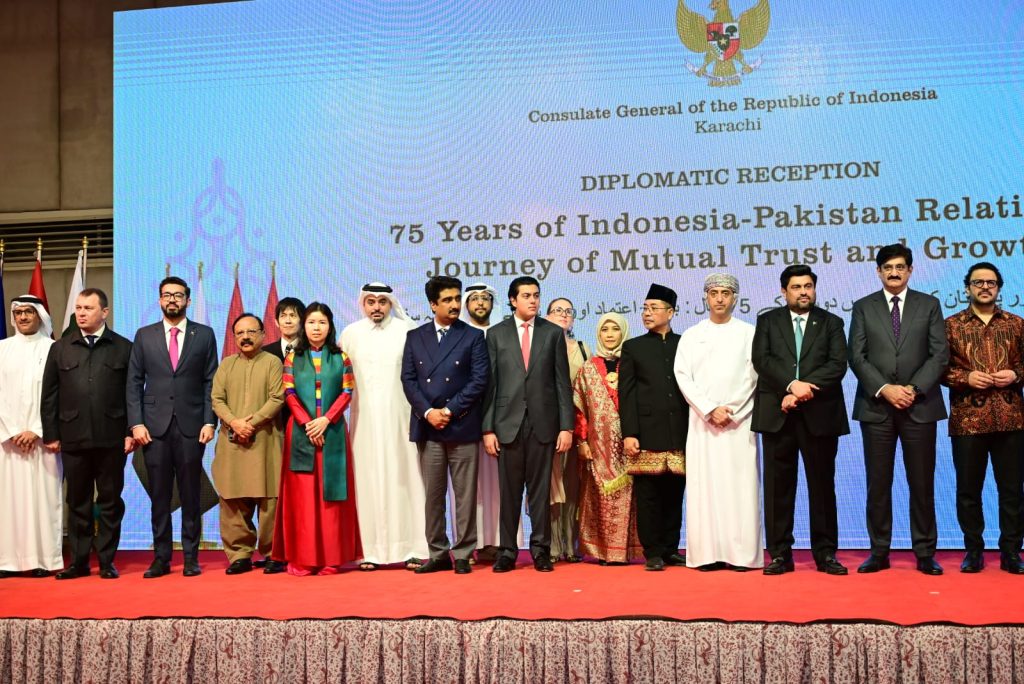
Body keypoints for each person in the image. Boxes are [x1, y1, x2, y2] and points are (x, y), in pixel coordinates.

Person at [849, 244, 949, 575]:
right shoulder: (863, 307)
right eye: (888, 267)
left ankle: (925, 552)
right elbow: (856, 356)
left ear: (910, 270)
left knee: (922, 483)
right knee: (878, 484)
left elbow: (939, 355)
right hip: (877, 406)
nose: (894, 273)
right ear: (878, 271)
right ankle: (879, 551)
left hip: (919, 406)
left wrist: (913, 389)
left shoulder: (929, 305)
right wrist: (885, 389)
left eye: (900, 267)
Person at [751, 266, 849, 576]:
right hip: (778, 414)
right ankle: (780, 554)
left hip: (820, 415)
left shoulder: (832, 322)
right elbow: (762, 360)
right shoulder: (768, 321)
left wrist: (803, 390)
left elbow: (837, 364)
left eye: (808, 286)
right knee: (778, 489)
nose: (803, 292)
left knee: (822, 487)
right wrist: (791, 386)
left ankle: (826, 554)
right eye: (796, 287)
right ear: (784, 291)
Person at [126, 276, 218, 578]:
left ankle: (191, 557)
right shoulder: (145, 335)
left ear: (188, 300)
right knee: (160, 496)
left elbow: (210, 381)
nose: (172, 300)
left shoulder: (203, 334)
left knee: (191, 494)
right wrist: (136, 423)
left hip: (192, 426)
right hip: (154, 428)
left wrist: (210, 421)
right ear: (159, 300)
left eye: (178, 295)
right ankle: (161, 558)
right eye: (167, 295)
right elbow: (134, 382)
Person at [482, 276, 574, 572]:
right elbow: (491, 385)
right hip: (507, 424)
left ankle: (541, 550)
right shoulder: (496, 334)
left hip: (543, 424)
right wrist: (488, 428)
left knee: (540, 493)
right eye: (526, 295)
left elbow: (562, 383)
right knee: (509, 494)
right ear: (512, 300)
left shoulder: (552, 333)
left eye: (536, 295)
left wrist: (566, 427)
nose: (533, 300)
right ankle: (507, 551)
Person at [41, 288, 134, 580]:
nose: (81, 313)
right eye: (78, 308)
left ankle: (106, 561)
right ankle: (79, 562)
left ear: (104, 312)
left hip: (112, 437)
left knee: (110, 501)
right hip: (73, 436)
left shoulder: (123, 347)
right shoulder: (61, 347)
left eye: (88, 308)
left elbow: (132, 394)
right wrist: (51, 434)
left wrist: (130, 431)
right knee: (78, 501)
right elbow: (49, 395)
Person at [401, 276, 489, 574]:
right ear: (432, 304)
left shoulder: (472, 336)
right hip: (429, 427)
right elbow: (408, 380)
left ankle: (463, 553)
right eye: (447, 300)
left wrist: (449, 410)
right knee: (433, 496)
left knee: (464, 496)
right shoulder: (415, 336)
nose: (454, 305)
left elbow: (479, 380)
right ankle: (437, 553)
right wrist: (428, 412)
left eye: (457, 299)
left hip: (461, 425)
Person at [675, 273, 762, 571]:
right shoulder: (691, 335)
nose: (720, 298)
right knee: (704, 488)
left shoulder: (749, 333)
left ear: (735, 298)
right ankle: (706, 554)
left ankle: (742, 555)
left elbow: (754, 376)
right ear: (706, 297)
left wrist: (731, 410)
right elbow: (683, 376)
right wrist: (710, 409)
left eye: (726, 293)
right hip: (703, 423)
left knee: (741, 487)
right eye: (714, 293)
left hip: (739, 422)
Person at [942, 262, 1024, 574]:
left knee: (1012, 491)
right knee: (968, 490)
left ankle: (1011, 552)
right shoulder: (951, 326)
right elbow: (939, 369)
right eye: (978, 282)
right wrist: (965, 378)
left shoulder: (1016, 324)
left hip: (1011, 418)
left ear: (999, 287)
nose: (985, 287)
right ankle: (973, 551)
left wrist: (1015, 374)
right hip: (968, 420)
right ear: (967, 288)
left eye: (991, 282)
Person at [341, 283, 429, 570]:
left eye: (382, 301)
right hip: (363, 423)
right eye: (371, 301)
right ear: (363, 304)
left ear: (391, 303)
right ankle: (368, 551)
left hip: (401, 420)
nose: (376, 307)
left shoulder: (408, 331)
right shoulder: (350, 334)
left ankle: (414, 548)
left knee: (408, 479)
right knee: (365, 482)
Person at [272, 302, 361, 574]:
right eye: (311, 322)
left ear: (330, 326)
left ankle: (331, 558)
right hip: (301, 432)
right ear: (304, 325)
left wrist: (326, 420)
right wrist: (308, 423)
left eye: (322, 322)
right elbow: (289, 393)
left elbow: (347, 392)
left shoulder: (341, 357)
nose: (316, 328)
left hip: (332, 432)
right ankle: (303, 559)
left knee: (331, 497)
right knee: (303, 498)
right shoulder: (292, 358)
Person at [619, 284, 688, 571]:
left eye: (653, 308)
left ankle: (671, 548)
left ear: (670, 313)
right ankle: (653, 552)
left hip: (680, 430)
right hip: (647, 431)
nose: (647, 313)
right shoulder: (633, 347)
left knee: (675, 494)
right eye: (645, 308)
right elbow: (627, 393)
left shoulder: (685, 344)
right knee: (648, 496)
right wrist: (630, 433)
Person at [211, 313, 285, 575]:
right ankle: (239, 555)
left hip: (265, 440)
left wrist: (249, 424)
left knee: (270, 499)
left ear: (263, 334)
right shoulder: (226, 365)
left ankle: (273, 553)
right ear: (234, 337)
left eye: (251, 332)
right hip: (232, 442)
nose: (245, 337)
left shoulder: (273, 363)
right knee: (233, 498)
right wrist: (234, 423)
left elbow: (277, 398)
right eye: (240, 333)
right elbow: (217, 399)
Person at [573, 311, 642, 564]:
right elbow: (579, 409)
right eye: (605, 329)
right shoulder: (588, 368)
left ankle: (627, 551)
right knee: (599, 497)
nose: (610, 334)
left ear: (623, 332)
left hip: (631, 443)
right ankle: (603, 552)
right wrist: (581, 441)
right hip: (598, 445)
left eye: (615, 329)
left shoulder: (634, 364)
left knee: (632, 498)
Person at [0, 296, 60, 578]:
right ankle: (7, 561)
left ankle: (43, 560)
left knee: (43, 501)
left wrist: (36, 429)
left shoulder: (53, 349)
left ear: (39, 316)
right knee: (8, 502)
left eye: (28, 312)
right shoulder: (2, 349)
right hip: (8, 441)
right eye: (18, 313)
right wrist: (12, 430)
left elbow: (58, 395)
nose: (23, 317)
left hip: (42, 440)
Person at [461, 282, 504, 562]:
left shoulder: (503, 334)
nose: (480, 303)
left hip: (500, 420)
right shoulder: (459, 336)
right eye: (474, 298)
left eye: (485, 298)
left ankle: (499, 543)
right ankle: (470, 543)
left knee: (499, 486)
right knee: (469, 487)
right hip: (466, 418)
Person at [545, 297, 590, 563]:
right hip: (548, 426)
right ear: (546, 316)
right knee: (552, 486)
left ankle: (571, 546)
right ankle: (552, 546)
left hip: (577, 427)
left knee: (573, 486)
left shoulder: (583, 348)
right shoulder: (540, 346)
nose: (563, 314)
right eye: (557, 310)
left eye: (568, 311)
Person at [263, 297, 305, 363]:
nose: (288, 321)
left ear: (302, 321)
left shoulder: (309, 352)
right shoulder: (264, 353)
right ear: (276, 322)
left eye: (293, 315)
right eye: (283, 316)